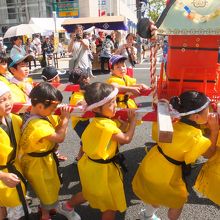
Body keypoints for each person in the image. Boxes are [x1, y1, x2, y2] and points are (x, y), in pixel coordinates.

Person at [132, 90, 219, 220]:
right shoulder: (195, 137)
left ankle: (147, 215)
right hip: (167, 174)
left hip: (152, 162)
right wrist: (214, 129)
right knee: (179, 200)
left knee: (155, 194)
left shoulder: (170, 122)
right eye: (208, 111)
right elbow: (209, 153)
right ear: (196, 117)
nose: (211, 113)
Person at [58, 82, 137, 220]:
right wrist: (132, 122)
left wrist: (123, 128)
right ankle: (66, 206)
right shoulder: (106, 126)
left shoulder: (98, 122)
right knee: (110, 204)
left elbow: (112, 141)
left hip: (92, 165)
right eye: (111, 103)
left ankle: (66, 206)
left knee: (89, 193)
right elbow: (126, 139)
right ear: (97, 108)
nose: (116, 106)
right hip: (102, 170)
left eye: (115, 101)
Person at [19, 82, 75, 220]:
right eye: (53, 107)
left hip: (38, 160)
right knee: (45, 189)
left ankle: (44, 209)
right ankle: (45, 215)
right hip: (39, 164)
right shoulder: (38, 124)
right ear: (39, 106)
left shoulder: (32, 116)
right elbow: (59, 138)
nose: (54, 110)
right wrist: (65, 119)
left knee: (46, 188)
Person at [0, 82, 30, 220]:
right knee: (12, 207)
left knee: (10, 206)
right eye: (2, 100)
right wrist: (3, 176)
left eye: (9, 98)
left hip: (14, 171)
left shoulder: (13, 119)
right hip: (4, 176)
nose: (8, 103)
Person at [41, 66, 68, 162]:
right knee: (56, 134)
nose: (59, 79)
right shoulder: (50, 91)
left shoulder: (42, 88)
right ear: (55, 79)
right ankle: (52, 154)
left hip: (48, 115)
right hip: (50, 116)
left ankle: (55, 152)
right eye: (58, 76)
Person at [69, 67, 90, 162]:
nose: (88, 79)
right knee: (87, 140)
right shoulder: (76, 94)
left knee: (86, 140)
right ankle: (80, 159)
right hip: (78, 123)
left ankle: (79, 158)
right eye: (85, 77)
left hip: (84, 120)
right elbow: (80, 102)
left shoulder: (83, 90)